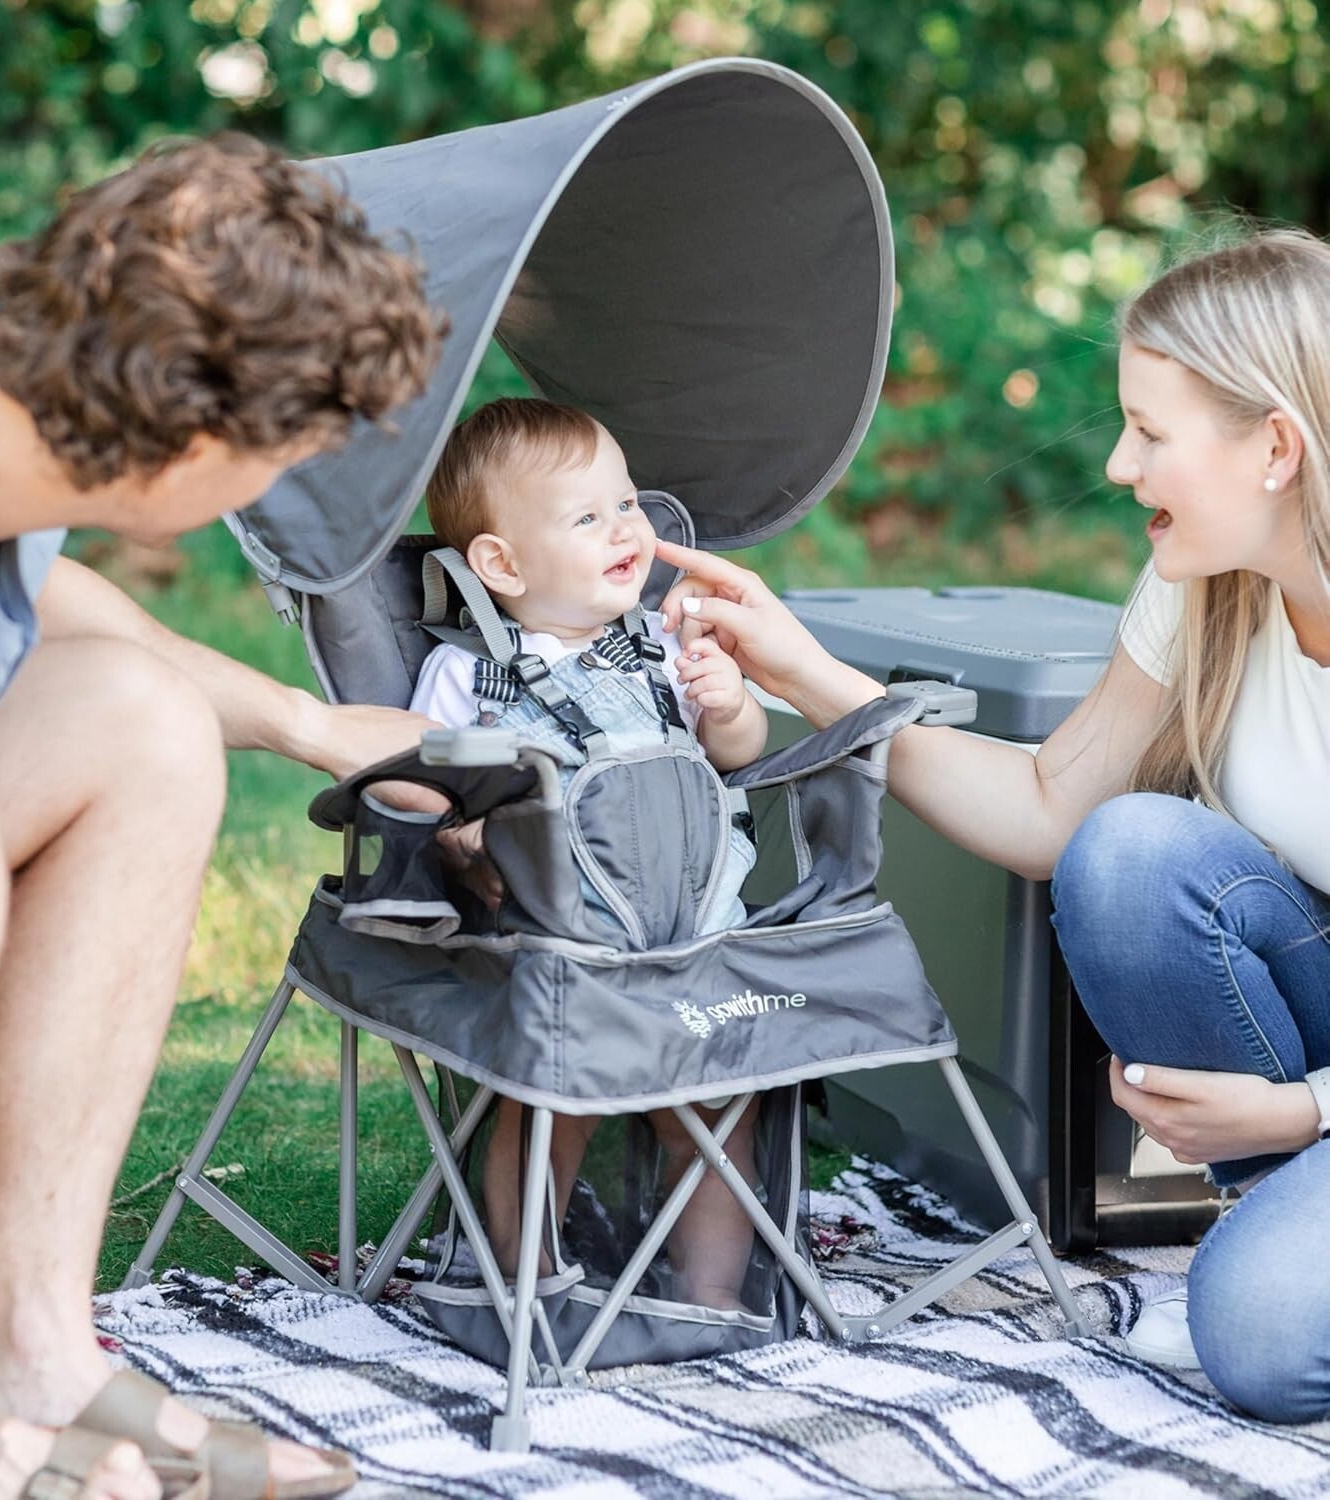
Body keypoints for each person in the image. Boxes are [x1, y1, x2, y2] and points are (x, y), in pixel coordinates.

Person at [0, 135, 446, 1500]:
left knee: (142, 728)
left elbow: (43, 595)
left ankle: (28, 1347)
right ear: (195, 452)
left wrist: (310, 723)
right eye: (282, 457)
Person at [651, 228, 1330, 1423]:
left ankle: (1287, 1233)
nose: (1122, 466)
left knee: (1262, 1339)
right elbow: (1047, 810)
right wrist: (807, 673)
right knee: (1126, 853)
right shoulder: (1210, 590)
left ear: (1276, 447)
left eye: (1152, 433)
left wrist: (1301, 1109)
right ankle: (1285, 1213)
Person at [410, 397, 768, 1308]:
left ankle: (713, 1302)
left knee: (723, 1109)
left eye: (627, 504)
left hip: (693, 932)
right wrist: (456, 828)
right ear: (502, 562)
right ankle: (526, 1286)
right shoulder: (467, 672)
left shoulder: (660, 645)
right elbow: (420, 781)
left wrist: (727, 707)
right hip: (558, 942)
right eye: (587, 516)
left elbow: (736, 758)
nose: (625, 530)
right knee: (547, 1103)